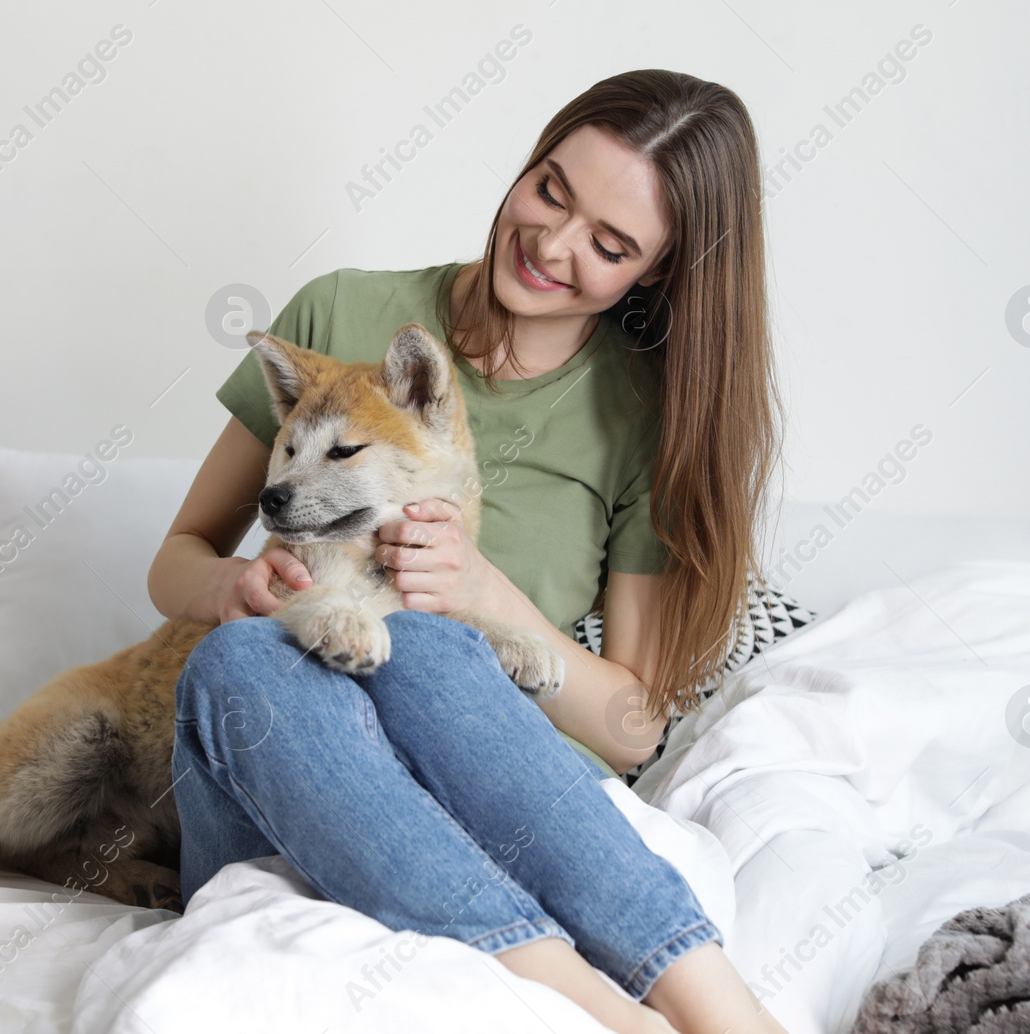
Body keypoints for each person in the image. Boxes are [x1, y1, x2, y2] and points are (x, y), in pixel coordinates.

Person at [147, 69, 787, 1034]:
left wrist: (484, 591)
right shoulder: (336, 316)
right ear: (528, 163)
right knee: (242, 656)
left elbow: (632, 726)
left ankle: (730, 1018)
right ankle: (608, 1016)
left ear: (654, 271)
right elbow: (176, 560)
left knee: (435, 650)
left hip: (503, 801)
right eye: (550, 192)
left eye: (609, 245)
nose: (551, 244)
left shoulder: (646, 416)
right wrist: (235, 585)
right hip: (287, 785)